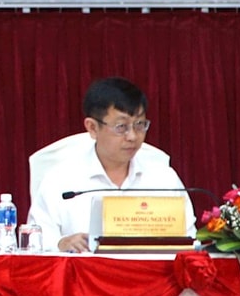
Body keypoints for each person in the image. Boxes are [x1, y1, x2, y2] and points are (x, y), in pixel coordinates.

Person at [27, 77, 192, 253]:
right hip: (84, 270)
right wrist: (61, 244)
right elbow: (35, 243)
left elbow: (190, 242)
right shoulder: (60, 180)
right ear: (92, 128)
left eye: (139, 125)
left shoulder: (164, 178)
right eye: (121, 127)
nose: (132, 136)